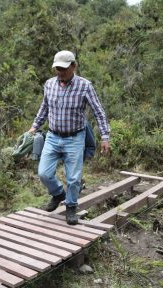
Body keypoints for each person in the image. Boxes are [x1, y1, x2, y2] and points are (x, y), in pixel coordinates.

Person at [28, 50, 110, 225]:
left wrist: (105, 136)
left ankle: (71, 207)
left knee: (73, 178)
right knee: (44, 173)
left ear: (74, 66)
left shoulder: (85, 86)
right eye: (57, 68)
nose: (60, 72)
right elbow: (44, 108)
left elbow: (99, 112)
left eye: (64, 68)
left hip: (74, 138)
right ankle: (58, 194)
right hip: (52, 136)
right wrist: (34, 127)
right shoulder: (49, 84)